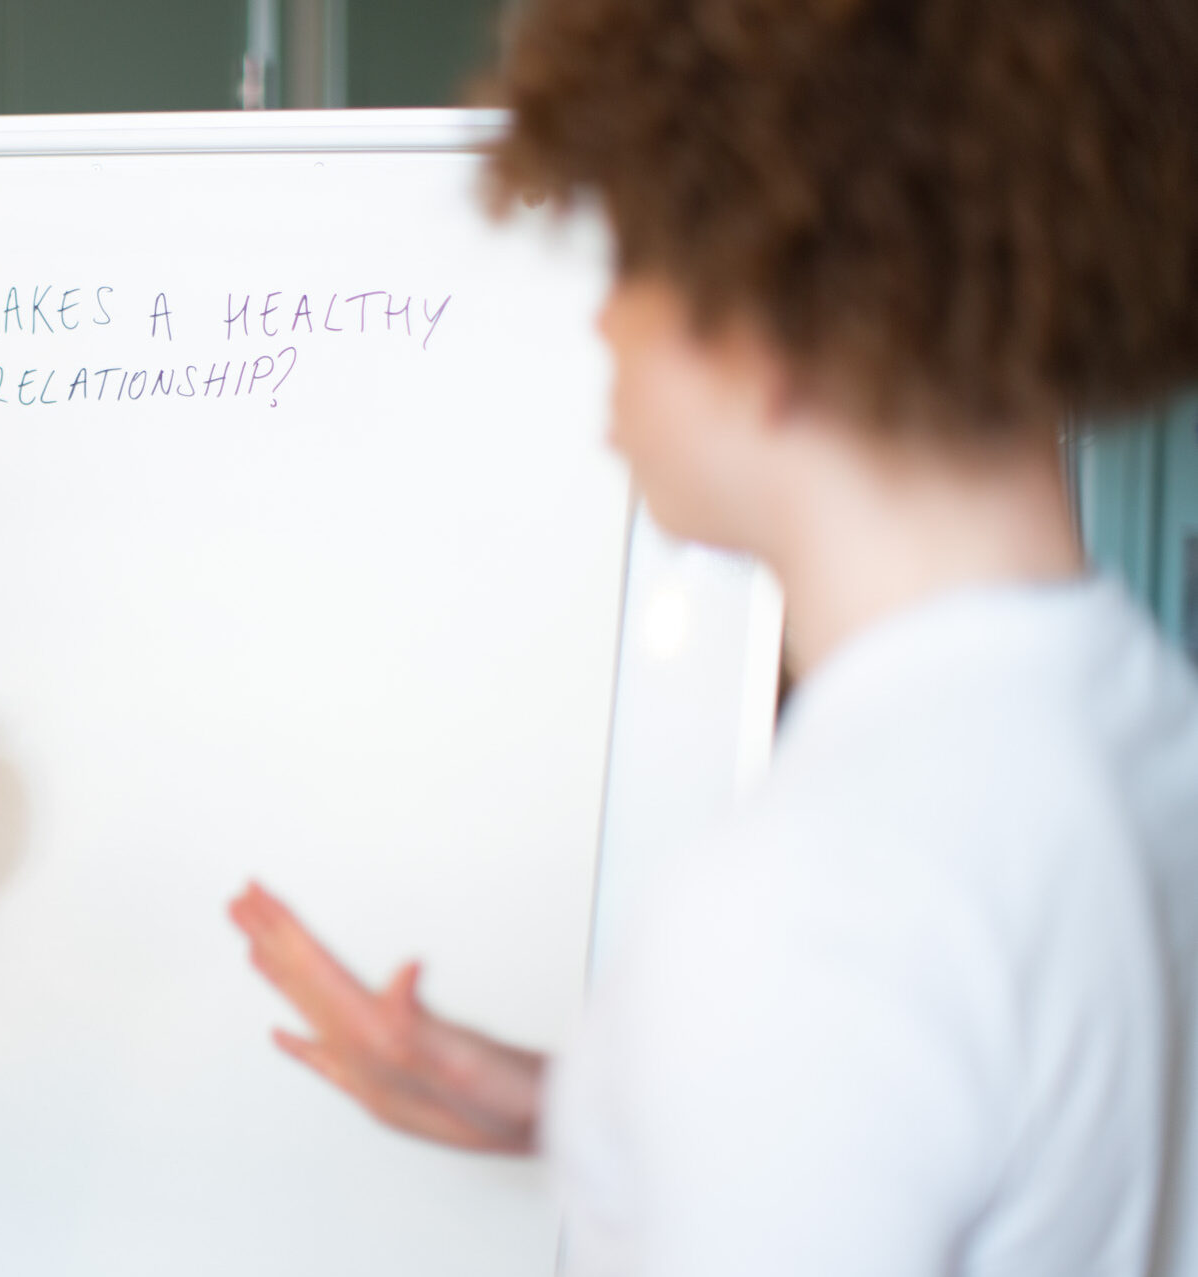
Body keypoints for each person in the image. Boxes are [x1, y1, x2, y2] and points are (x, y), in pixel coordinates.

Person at [231, 0, 1198, 1272]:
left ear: (783, 312)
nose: (601, 324)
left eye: (632, 256)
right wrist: (604, 1109)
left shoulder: (812, 908)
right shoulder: (1141, 728)